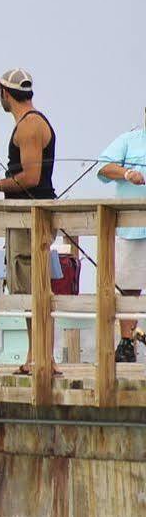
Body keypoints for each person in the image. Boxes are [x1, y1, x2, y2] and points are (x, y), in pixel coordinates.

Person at [0, 68, 54, 305]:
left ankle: (37, 343)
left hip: (30, 217)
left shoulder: (29, 125)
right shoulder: (30, 122)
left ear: (5, 93)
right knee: (23, 284)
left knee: (28, 287)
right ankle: (34, 343)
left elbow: (30, 178)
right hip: (26, 216)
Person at [95, 110, 146, 362]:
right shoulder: (129, 139)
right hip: (132, 229)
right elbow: (103, 167)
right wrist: (128, 173)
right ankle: (127, 343)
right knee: (128, 286)